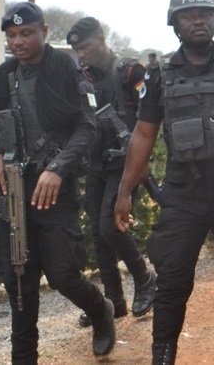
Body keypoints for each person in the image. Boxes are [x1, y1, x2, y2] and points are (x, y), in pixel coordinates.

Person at [113, 0, 214, 365]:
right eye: (187, 15)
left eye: (205, 14)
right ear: (175, 24)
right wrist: (124, 191)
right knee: (173, 281)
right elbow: (144, 134)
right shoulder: (159, 73)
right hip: (185, 193)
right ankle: (163, 357)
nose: (197, 20)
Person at [0, 2, 116, 363]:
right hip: (14, 188)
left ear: (43, 31)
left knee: (63, 276)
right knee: (19, 285)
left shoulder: (64, 69)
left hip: (55, 188)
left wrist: (57, 168)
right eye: (12, 35)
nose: (18, 41)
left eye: (26, 33)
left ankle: (100, 309)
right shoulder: (4, 75)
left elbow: (87, 126)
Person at [66, 17, 157, 328]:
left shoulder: (130, 71)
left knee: (109, 226)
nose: (81, 54)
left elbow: (151, 117)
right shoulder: (84, 77)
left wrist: (142, 162)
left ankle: (144, 278)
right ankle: (113, 301)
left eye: (85, 47)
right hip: (96, 162)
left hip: (124, 164)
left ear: (102, 39)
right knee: (97, 232)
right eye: (76, 50)